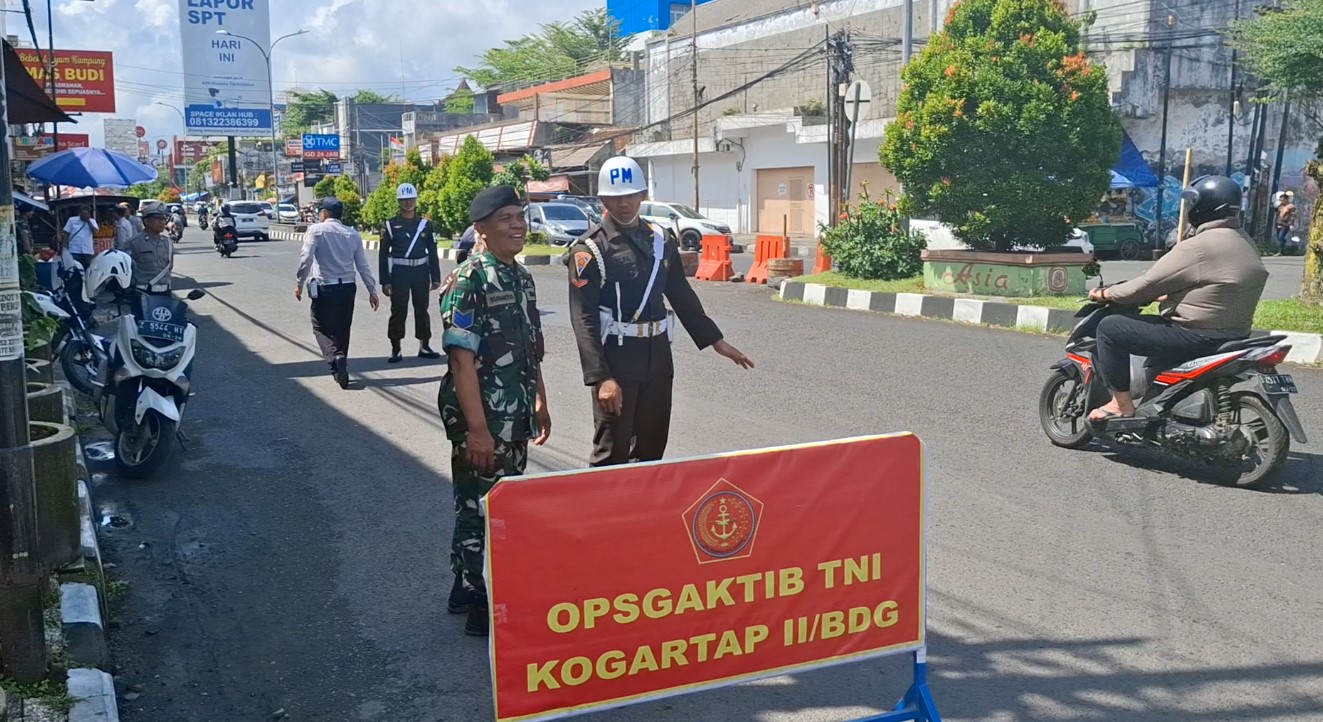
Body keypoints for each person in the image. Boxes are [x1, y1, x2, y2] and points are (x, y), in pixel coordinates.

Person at [567, 156, 754, 467]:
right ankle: (607, 512)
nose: (624, 204)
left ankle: (643, 513)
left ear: (642, 195)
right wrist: (601, 378)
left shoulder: (660, 239)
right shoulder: (590, 250)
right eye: (615, 197)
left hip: (657, 355)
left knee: (652, 448)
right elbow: (582, 317)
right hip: (617, 357)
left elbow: (679, 292)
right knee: (612, 449)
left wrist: (715, 340)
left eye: (630, 195)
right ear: (603, 199)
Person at [436, 185, 551, 637]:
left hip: (516, 412)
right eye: (505, 218)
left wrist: (540, 400)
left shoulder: (521, 277)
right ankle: (485, 601)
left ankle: (465, 587)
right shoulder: (469, 281)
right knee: (484, 509)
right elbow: (461, 362)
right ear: (481, 230)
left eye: (519, 216)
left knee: (486, 504)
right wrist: (478, 431)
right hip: (481, 417)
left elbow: (529, 349)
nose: (517, 225)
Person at [1086, 175, 1269, 422]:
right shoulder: (1245, 242)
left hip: (1195, 335)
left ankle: (1121, 404)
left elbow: (1145, 285)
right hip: (1236, 335)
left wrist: (1106, 293)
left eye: (1193, 203)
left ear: (1204, 206)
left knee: (1110, 328)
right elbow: (1218, 285)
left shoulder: (1197, 246)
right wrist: (1175, 295)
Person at [294, 197, 380, 389]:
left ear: (324, 213)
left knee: (320, 327)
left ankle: (335, 358)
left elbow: (305, 258)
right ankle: (340, 368)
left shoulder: (316, 230)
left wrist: (299, 283)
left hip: (324, 287)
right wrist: (372, 290)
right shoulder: (353, 234)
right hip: (348, 287)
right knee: (343, 329)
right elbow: (363, 266)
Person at [379, 182, 443, 362]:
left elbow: (432, 252)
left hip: (421, 271)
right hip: (400, 272)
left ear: (416, 199)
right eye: (404, 200)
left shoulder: (426, 225)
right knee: (398, 309)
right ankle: (396, 348)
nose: (408, 203)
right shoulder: (390, 225)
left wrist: (435, 277)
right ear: (399, 201)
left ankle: (424, 345)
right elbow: (383, 255)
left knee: (422, 308)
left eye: (411, 199)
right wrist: (385, 281)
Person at [118, 200, 175, 296]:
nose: (162, 222)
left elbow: (170, 266)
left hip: (165, 293)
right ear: (146, 221)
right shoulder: (134, 243)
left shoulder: (167, 242)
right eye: (157, 218)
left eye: (164, 218)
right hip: (142, 293)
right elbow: (124, 268)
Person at [1275, 190, 1296, 255]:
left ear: (1286, 199)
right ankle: (1283, 244)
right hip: (1279, 223)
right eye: (1280, 200)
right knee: (1279, 237)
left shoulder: (1291, 206)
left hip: (1285, 224)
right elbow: (1277, 214)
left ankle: (1280, 251)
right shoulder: (1280, 206)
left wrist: (1291, 224)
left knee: (1281, 237)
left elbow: (1292, 216)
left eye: (1283, 199)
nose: (1281, 201)